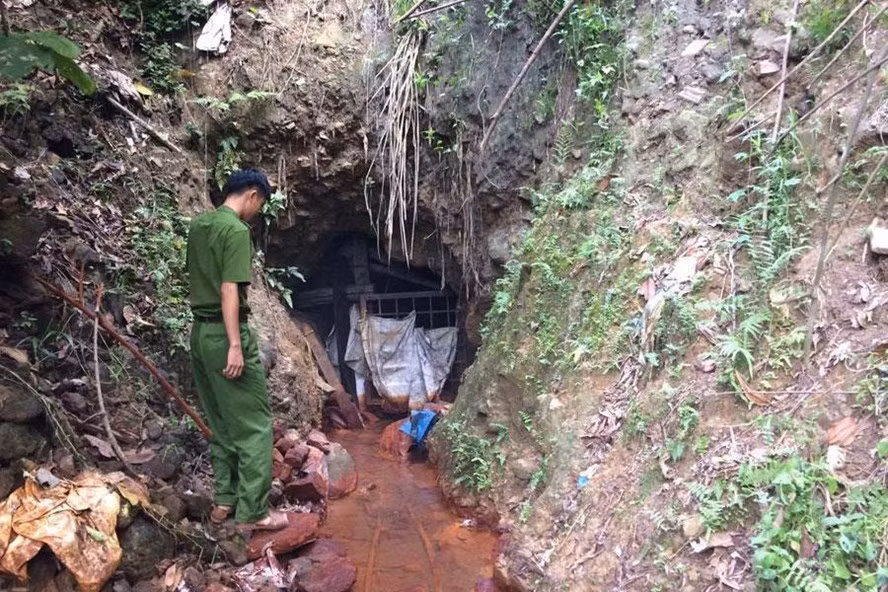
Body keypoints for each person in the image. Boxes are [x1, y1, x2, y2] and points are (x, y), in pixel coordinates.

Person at [186, 169, 288, 532]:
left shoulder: (199, 227)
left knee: (220, 421)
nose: (257, 213)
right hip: (225, 333)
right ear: (252, 195)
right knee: (256, 425)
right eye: (259, 205)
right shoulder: (236, 231)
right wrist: (234, 344)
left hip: (199, 335)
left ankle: (224, 501)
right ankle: (255, 511)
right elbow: (229, 289)